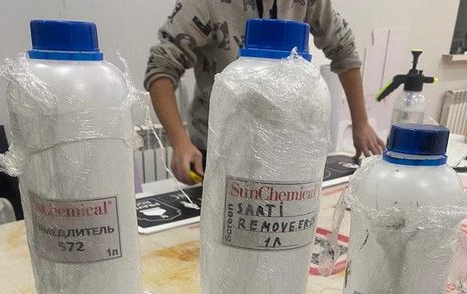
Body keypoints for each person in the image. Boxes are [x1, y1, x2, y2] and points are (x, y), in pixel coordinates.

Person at [145, 0, 385, 185]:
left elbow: (343, 49)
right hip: (220, 149)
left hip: (285, 147)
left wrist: (361, 123)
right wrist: (179, 141)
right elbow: (161, 67)